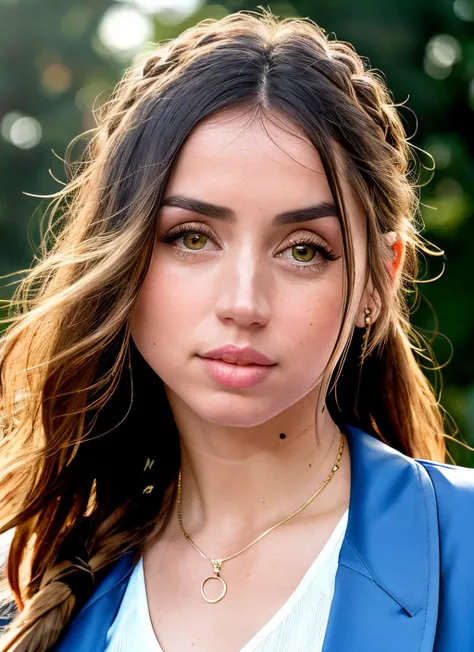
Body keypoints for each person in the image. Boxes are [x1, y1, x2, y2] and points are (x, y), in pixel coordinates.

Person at [0, 7, 473, 652]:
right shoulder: (30, 593)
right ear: (121, 254)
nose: (243, 302)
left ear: (377, 283)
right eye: (191, 238)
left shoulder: (463, 546)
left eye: (304, 249)